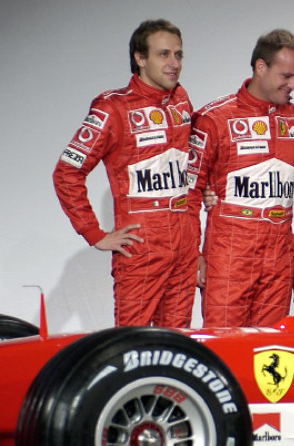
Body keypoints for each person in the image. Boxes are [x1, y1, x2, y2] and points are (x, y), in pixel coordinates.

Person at [53, 19, 197, 327]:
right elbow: (67, 172)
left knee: (178, 347)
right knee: (132, 346)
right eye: (164, 54)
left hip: (184, 242)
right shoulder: (112, 108)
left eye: (178, 55)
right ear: (140, 58)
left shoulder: (181, 99)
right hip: (142, 244)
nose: (174, 64)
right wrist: (94, 234)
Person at [190, 29, 294, 327]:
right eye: (287, 76)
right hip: (230, 251)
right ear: (260, 67)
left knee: (270, 350)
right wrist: (192, 255)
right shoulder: (214, 118)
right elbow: (188, 191)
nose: (293, 85)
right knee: (223, 346)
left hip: (280, 250)